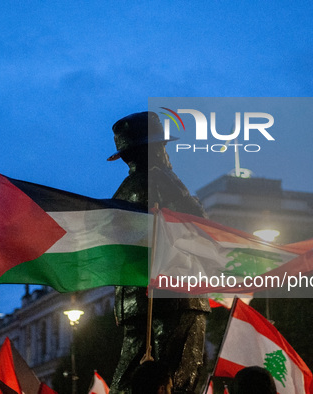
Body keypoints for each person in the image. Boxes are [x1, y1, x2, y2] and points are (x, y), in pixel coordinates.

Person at [108, 112, 210, 394]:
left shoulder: (124, 191)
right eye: (163, 146)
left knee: (132, 376)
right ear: (155, 148)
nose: (167, 154)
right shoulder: (162, 180)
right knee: (179, 377)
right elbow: (199, 223)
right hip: (176, 297)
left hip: (135, 301)